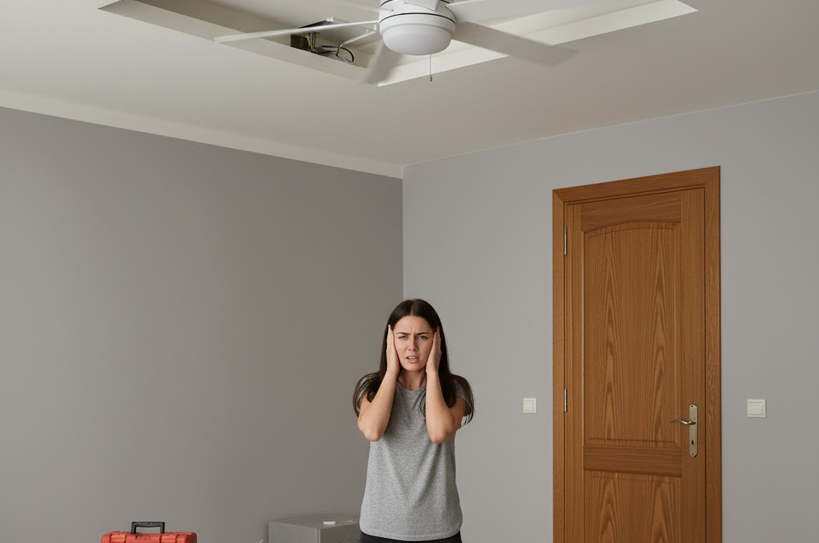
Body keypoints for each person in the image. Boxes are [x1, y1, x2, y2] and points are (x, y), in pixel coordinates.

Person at [353, 299, 475, 543]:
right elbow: (372, 430)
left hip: (440, 529)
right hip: (380, 527)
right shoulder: (371, 388)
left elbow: (439, 432)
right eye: (402, 337)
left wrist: (432, 372)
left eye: (422, 337)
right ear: (390, 342)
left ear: (436, 341)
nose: (412, 346)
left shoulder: (454, 389)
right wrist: (390, 372)